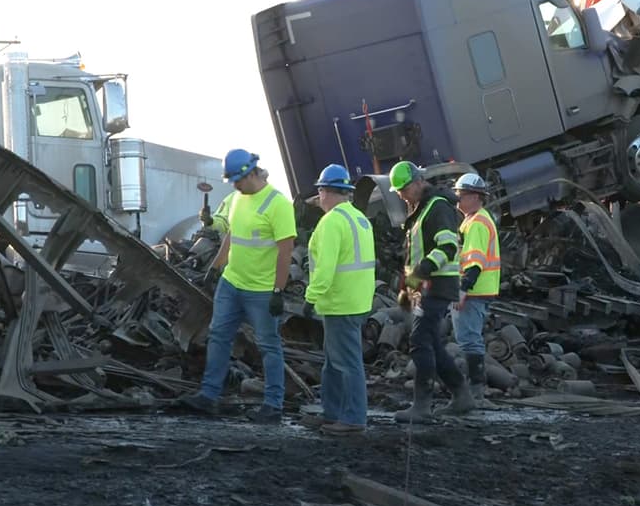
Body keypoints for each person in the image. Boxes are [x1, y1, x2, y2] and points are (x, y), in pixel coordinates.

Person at [181, 149, 297, 423]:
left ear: (251, 172)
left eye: (237, 180)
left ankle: (273, 405)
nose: (234, 185)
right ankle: (209, 396)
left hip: (260, 291)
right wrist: (216, 266)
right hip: (232, 284)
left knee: (269, 346)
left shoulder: (278, 204)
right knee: (219, 336)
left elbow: (285, 251)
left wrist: (278, 291)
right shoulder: (237, 199)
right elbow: (233, 236)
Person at [389, 160, 476, 421]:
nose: (402, 195)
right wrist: (408, 287)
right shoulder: (423, 209)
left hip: (437, 285)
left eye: (404, 189)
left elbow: (447, 247)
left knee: (419, 342)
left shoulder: (437, 207)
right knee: (433, 344)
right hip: (427, 285)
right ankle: (462, 396)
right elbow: (414, 256)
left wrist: (421, 272)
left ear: (419, 182)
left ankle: (422, 406)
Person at [305, 164, 376, 435]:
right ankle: (332, 411)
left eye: (320, 190)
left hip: (340, 302)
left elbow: (325, 268)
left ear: (325, 191)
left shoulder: (332, 222)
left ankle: (353, 418)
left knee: (346, 363)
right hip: (356, 300)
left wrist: (311, 297)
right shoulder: (359, 219)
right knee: (334, 363)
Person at [451, 173, 501, 410]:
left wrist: (462, 290)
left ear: (475, 197)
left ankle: (476, 394)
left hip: (474, 291)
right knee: (469, 340)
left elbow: (475, 262)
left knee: (470, 342)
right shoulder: (473, 220)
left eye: (460, 196)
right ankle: (475, 392)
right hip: (478, 290)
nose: (457, 200)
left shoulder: (478, 223)